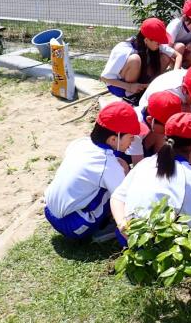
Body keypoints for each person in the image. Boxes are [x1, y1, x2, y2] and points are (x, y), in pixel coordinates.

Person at [44, 102, 149, 240]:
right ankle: (107, 228)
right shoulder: (107, 165)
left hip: (49, 210)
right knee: (120, 192)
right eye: (131, 136)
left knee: (112, 173)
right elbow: (126, 198)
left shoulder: (81, 143)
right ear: (113, 139)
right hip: (73, 225)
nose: (133, 140)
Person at [110, 112, 191, 246]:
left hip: (128, 236)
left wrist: (123, 225)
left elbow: (117, 197)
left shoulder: (146, 163)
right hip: (158, 245)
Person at [100, 18, 175, 104]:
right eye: (158, 42)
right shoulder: (124, 50)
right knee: (135, 60)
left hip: (139, 82)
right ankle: (131, 96)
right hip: (120, 86)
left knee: (165, 57)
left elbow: (174, 55)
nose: (160, 44)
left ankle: (150, 89)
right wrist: (130, 87)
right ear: (146, 40)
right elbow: (104, 78)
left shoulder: (153, 44)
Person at [136, 62, 191, 130]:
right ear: (184, 90)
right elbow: (157, 121)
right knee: (184, 125)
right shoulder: (165, 92)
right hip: (158, 117)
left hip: (182, 107)